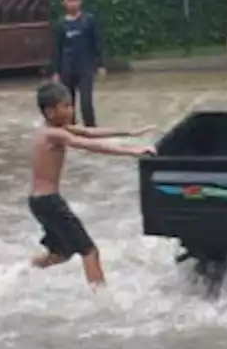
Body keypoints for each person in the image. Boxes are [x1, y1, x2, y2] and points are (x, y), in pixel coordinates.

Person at [29, 82, 154, 285]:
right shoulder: (54, 134)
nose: (72, 110)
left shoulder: (50, 130)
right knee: (90, 251)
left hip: (38, 202)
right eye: (67, 106)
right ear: (51, 112)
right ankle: (101, 299)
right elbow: (88, 145)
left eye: (71, 105)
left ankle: (23, 273)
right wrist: (132, 151)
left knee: (61, 253)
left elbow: (89, 132)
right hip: (49, 201)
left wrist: (129, 133)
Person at [50, 0, 105, 127]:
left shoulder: (89, 20)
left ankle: (91, 129)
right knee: (68, 102)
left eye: (75, 0)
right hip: (66, 68)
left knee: (86, 101)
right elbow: (57, 49)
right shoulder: (61, 24)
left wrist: (100, 65)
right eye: (69, 0)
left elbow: (96, 43)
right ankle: (71, 129)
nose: (73, 3)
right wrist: (55, 71)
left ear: (80, 2)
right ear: (63, 3)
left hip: (85, 68)